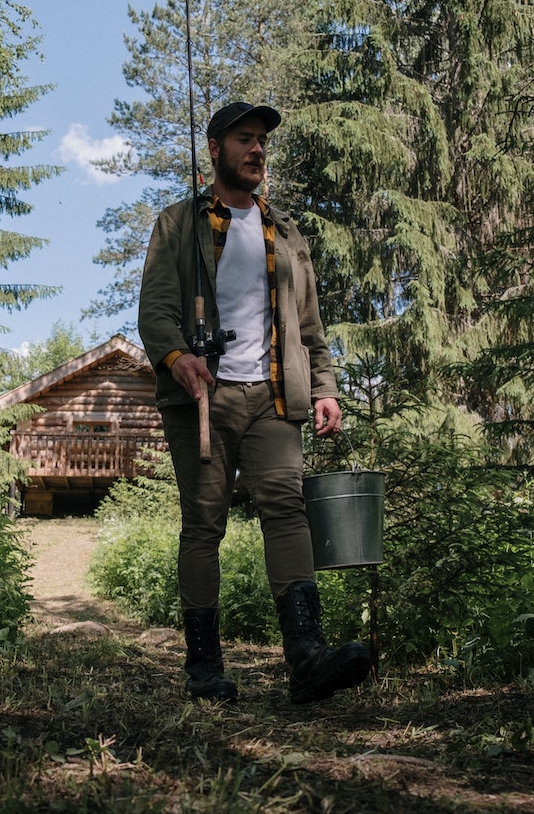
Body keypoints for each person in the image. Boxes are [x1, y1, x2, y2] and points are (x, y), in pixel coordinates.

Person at [137, 101, 372, 704]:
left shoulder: (287, 234)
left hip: (273, 395)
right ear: (215, 148)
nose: (257, 150)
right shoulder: (178, 224)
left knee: (286, 509)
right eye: (244, 139)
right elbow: (156, 312)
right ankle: (204, 667)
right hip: (202, 399)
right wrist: (176, 358)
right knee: (204, 523)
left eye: (262, 142)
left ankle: (306, 659)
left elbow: (310, 326)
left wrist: (324, 386)